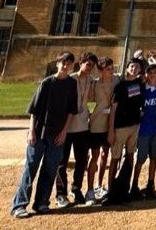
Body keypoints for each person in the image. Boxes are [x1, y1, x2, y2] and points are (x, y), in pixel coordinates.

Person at [10, 52, 78, 219]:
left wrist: (64, 133)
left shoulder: (71, 84)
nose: (65, 65)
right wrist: (31, 130)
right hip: (40, 133)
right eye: (63, 62)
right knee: (30, 169)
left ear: (71, 66)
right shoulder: (47, 83)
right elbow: (34, 110)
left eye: (68, 63)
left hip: (57, 135)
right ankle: (19, 205)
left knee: (49, 170)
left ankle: (41, 202)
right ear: (57, 64)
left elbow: (71, 112)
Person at [55, 52, 96, 208]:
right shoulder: (71, 79)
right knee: (62, 162)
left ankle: (76, 188)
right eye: (88, 64)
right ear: (81, 63)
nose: (90, 68)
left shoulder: (91, 80)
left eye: (92, 65)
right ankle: (60, 193)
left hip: (83, 126)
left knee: (81, 161)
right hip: (67, 126)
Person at [106, 56, 144, 203]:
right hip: (120, 127)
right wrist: (111, 130)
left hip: (134, 126)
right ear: (127, 68)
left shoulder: (139, 84)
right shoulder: (120, 87)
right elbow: (113, 109)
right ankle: (110, 191)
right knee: (115, 158)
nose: (134, 69)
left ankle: (124, 189)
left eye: (137, 67)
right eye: (132, 66)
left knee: (130, 157)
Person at [86, 57, 117, 204]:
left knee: (105, 155)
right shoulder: (95, 84)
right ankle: (90, 189)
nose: (111, 71)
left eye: (112, 68)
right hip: (97, 124)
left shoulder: (116, 81)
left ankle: (99, 185)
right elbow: (85, 100)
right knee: (95, 155)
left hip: (110, 124)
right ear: (100, 71)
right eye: (108, 69)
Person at [134, 63, 156, 197]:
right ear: (146, 75)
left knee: (154, 158)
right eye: (150, 73)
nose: (152, 76)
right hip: (143, 130)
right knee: (141, 158)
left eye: (154, 73)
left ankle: (150, 184)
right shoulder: (142, 90)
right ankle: (134, 184)